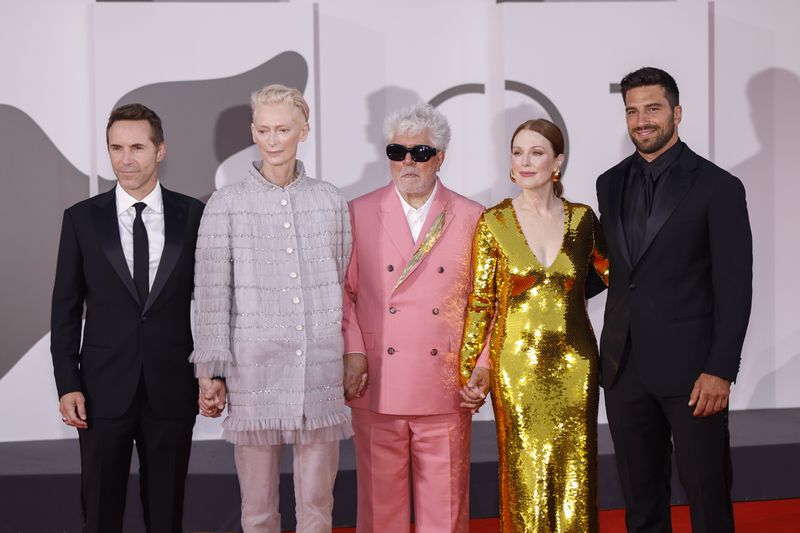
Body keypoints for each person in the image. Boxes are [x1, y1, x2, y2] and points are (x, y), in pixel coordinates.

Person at [596, 67, 752, 532]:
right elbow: (616, 271)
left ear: (676, 113)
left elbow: (734, 285)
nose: (642, 120)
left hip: (694, 374)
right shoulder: (609, 182)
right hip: (624, 370)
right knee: (641, 505)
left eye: (653, 108)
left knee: (707, 501)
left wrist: (721, 369)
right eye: (632, 110)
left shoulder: (717, 186)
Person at [190, 84, 352, 533]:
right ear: (252, 132)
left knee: (318, 506)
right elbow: (210, 294)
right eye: (263, 129)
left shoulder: (330, 200)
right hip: (253, 371)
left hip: (319, 373)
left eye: (283, 129)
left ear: (304, 129)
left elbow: (344, 282)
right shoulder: (227, 203)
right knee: (258, 510)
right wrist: (210, 369)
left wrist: (349, 354)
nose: (273, 139)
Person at [51, 103, 204, 532]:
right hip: (100, 390)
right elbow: (64, 308)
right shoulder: (81, 220)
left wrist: (214, 373)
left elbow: (211, 303)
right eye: (116, 148)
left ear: (160, 150)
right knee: (100, 513)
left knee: (166, 514)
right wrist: (68, 384)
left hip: (172, 386)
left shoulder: (193, 216)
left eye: (137, 146)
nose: (126, 158)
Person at [459, 118, 609, 532]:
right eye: (518, 152)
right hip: (516, 366)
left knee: (576, 473)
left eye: (537, 152)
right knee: (523, 474)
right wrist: (471, 366)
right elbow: (481, 301)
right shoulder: (494, 222)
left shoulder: (583, 220)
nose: (525, 162)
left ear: (557, 162)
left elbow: (613, 275)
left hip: (576, 365)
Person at [342, 103, 484, 533]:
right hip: (377, 381)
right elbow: (344, 292)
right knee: (379, 508)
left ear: (440, 157)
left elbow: (486, 303)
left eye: (420, 153)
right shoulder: (357, 212)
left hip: (444, 384)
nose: (407, 162)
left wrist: (482, 365)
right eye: (397, 151)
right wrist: (353, 352)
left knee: (445, 509)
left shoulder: (472, 217)